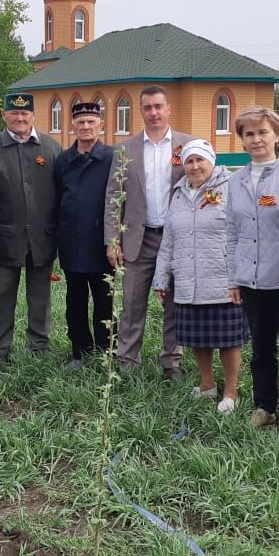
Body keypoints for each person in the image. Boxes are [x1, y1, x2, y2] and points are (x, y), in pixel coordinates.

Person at [225, 106, 279, 428]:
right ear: (242, 141)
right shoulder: (236, 182)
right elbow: (232, 233)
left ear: (278, 135)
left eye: (263, 132)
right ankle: (265, 406)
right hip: (251, 281)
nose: (257, 139)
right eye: (249, 134)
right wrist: (234, 279)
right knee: (261, 348)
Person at [103, 86, 193, 376]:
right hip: (137, 238)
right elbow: (114, 197)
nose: (153, 112)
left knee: (175, 304)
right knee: (131, 302)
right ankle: (127, 360)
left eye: (158, 106)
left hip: (176, 238)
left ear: (169, 109)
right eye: (147, 108)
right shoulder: (125, 149)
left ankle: (172, 361)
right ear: (140, 111)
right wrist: (111, 240)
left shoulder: (187, 146)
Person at [152, 140, 247, 413]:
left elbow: (243, 232)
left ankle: (231, 391)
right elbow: (168, 239)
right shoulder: (179, 193)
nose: (194, 166)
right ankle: (207, 385)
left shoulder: (231, 187)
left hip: (223, 278)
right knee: (198, 337)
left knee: (229, 339)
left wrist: (239, 275)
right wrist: (161, 278)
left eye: (200, 160)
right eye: (189, 161)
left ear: (212, 161)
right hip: (187, 278)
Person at [0, 93, 61, 363]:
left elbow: (60, 193)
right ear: (4, 115)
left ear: (33, 115)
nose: (20, 118)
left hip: (42, 237)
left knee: (40, 297)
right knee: (1, 297)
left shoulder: (50, 148)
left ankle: (39, 347)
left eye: (25, 113)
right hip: (4, 236)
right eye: (14, 113)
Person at [53, 101, 115, 367]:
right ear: (72, 127)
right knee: (75, 301)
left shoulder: (113, 158)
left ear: (101, 125)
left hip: (103, 244)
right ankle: (80, 349)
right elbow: (56, 200)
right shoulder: (63, 161)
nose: (86, 126)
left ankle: (106, 349)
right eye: (81, 122)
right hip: (72, 242)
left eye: (91, 121)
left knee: (105, 301)